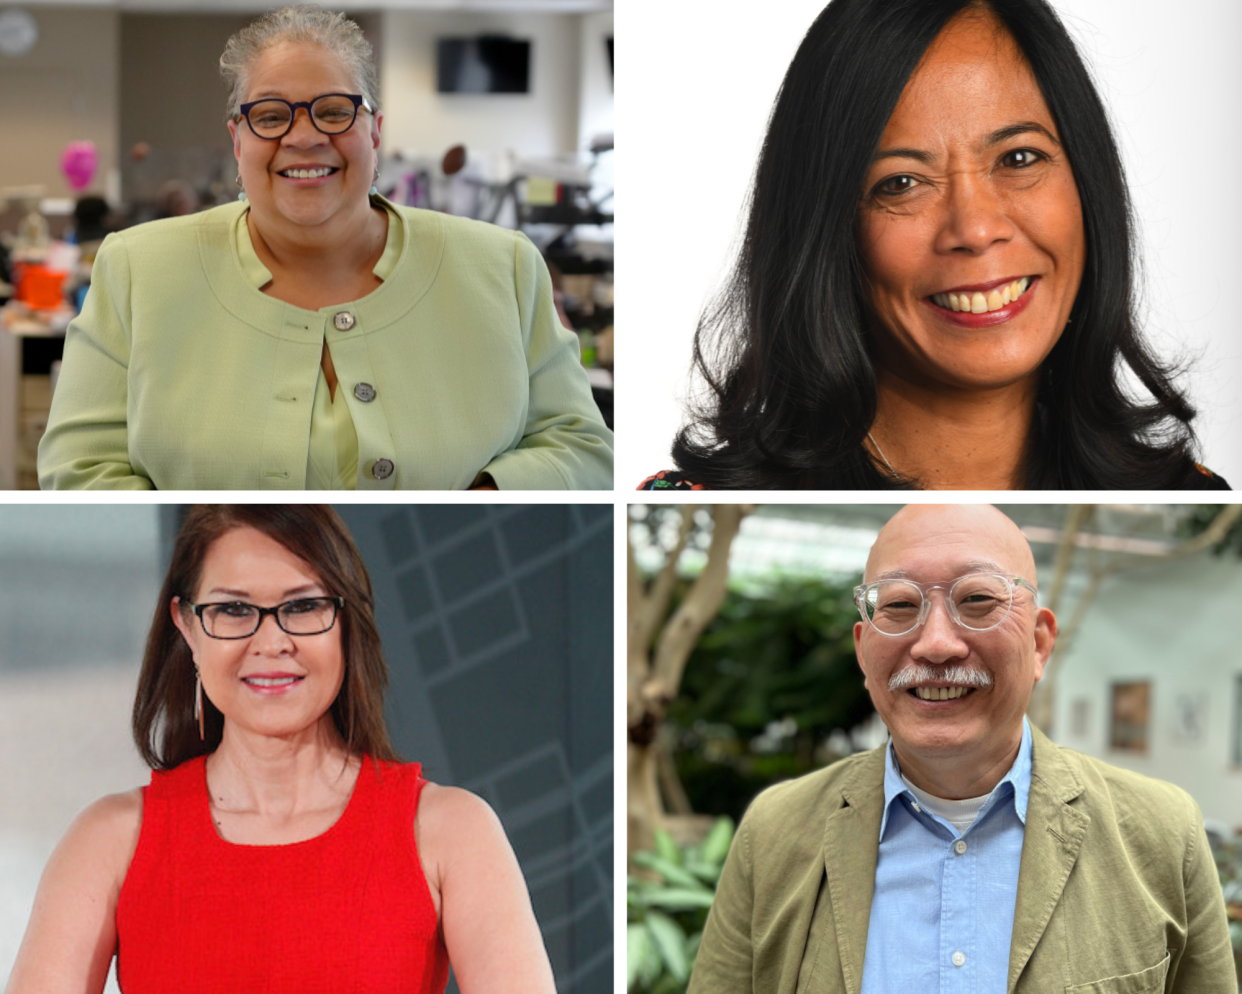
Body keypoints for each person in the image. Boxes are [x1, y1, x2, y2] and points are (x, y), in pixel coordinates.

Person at [640, 0, 1227, 490]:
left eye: (1018, 158)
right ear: (824, 230)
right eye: (900, 183)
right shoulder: (688, 499)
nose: (974, 229)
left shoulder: (1195, 493)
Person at [37, 5, 613, 490]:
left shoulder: (503, 268)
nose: (305, 135)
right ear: (238, 141)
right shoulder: (138, 269)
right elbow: (79, 469)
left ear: (376, 132)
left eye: (335, 111)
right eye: (269, 115)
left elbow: (583, 448)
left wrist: (484, 498)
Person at [6, 505, 556, 993]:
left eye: (303, 606)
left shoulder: (450, 830)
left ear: (346, 622)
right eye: (233, 610)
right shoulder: (109, 840)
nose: (271, 643)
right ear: (187, 627)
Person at [687, 504, 1235, 993]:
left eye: (977, 599)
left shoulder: (1163, 833)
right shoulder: (775, 831)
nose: (937, 644)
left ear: (1040, 644)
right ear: (863, 650)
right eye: (899, 606)